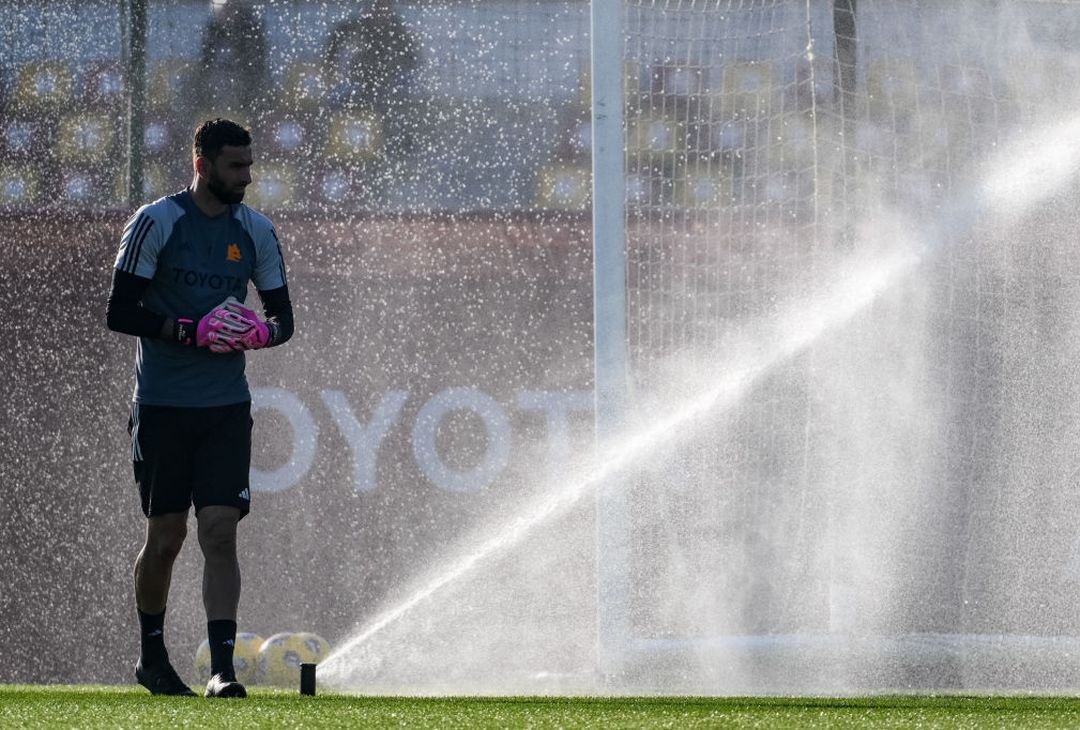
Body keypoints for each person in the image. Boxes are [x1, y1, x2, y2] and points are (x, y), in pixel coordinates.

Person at [106, 118, 294, 698]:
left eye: (249, 164)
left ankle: (221, 670)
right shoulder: (156, 221)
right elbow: (120, 311)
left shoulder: (256, 231)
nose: (247, 176)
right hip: (162, 404)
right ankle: (152, 659)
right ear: (201, 165)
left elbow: (284, 318)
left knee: (219, 531)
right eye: (235, 165)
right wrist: (191, 330)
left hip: (225, 407)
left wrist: (261, 333)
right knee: (166, 537)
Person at [324, 0, 418, 114]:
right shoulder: (355, 27)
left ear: (390, 8)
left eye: (384, 6)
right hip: (356, 83)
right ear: (368, 7)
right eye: (376, 5)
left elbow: (411, 62)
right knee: (338, 102)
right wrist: (333, 68)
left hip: (385, 87)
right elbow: (333, 49)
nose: (380, 10)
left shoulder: (399, 33)